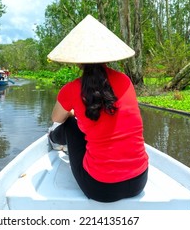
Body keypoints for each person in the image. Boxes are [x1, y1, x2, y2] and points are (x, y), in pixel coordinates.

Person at [47, 15, 149, 203]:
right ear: (107, 56)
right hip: (139, 180)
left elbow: (56, 117)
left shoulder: (71, 89)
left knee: (69, 121)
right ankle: (55, 139)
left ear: (78, 61)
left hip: (100, 189)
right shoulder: (125, 80)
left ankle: (53, 139)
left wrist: (72, 112)